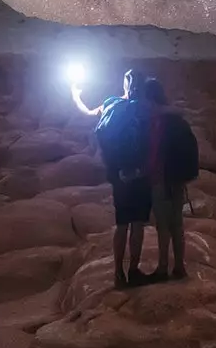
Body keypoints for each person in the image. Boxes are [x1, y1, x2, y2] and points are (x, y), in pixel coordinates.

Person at [73, 67, 152, 288]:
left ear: (124, 85)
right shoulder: (146, 108)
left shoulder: (111, 103)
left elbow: (87, 113)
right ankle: (134, 271)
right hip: (140, 173)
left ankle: (118, 274)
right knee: (138, 225)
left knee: (122, 224)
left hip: (117, 174)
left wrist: (74, 94)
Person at [143, 77, 188, 281]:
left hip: (160, 179)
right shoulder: (176, 117)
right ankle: (179, 267)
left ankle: (163, 268)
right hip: (178, 178)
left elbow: (152, 152)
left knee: (163, 225)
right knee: (177, 224)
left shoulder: (154, 119)